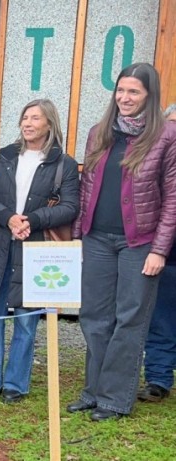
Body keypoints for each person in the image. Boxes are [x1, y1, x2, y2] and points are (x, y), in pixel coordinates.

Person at [68, 63, 176, 421]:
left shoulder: (167, 136)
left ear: (149, 95)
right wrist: (78, 235)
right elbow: (86, 186)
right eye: (121, 90)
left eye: (134, 92)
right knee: (94, 317)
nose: (125, 98)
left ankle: (114, 399)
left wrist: (159, 249)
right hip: (96, 238)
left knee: (129, 320)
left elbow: (173, 198)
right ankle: (93, 391)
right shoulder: (99, 132)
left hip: (139, 243)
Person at [0, 99, 79, 404]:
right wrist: (8, 218)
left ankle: (16, 384)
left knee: (26, 319)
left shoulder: (64, 163)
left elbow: (70, 206)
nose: (28, 123)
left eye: (35, 118)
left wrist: (32, 220)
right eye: (25, 117)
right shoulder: (5, 156)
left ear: (49, 124)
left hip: (35, 246)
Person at [137, 102, 176, 403]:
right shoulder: (154, 163)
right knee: (160, 318)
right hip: (165, 254)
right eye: (172, 124)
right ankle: (159, 379)